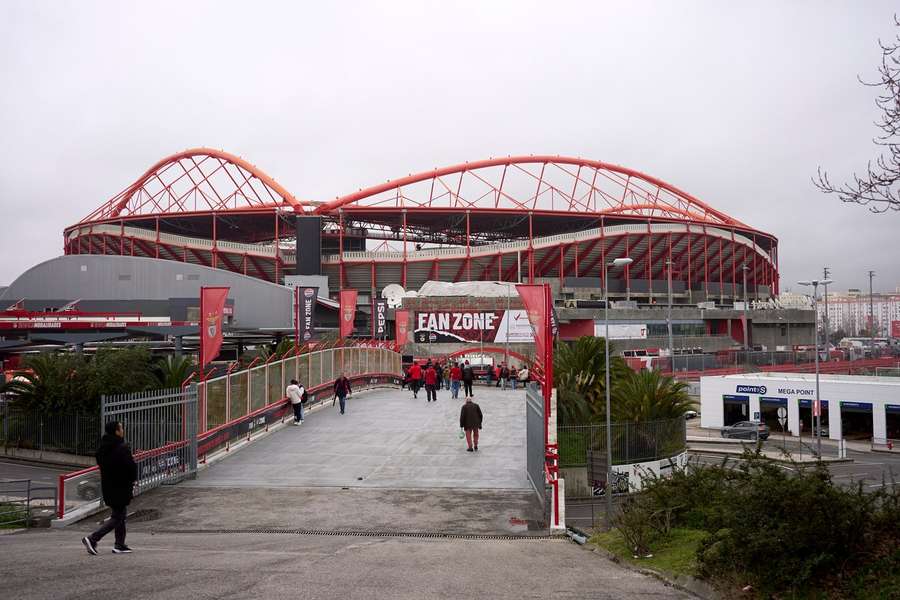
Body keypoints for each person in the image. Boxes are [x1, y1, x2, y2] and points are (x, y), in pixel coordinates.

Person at [82, 421, 137, 555]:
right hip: (121, 487)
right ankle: (93, 539)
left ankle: (119, 544)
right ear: (116, 431)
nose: (123, 430)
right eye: (121, 428)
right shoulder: (122, 448)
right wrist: (133, 479)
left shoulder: (102, 449)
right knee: (118, 516)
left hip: (108, 487)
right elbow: (131, 467)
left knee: (120, 514)